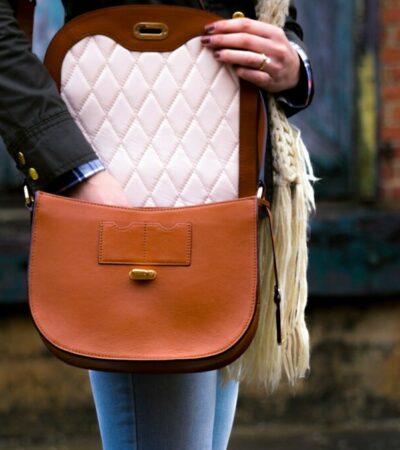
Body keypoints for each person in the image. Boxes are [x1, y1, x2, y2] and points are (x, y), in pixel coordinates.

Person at [0, 1, 313, 449]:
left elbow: (271, 16)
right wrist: (74, 172)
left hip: (228, 192)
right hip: (123, 182)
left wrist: (293, 66)